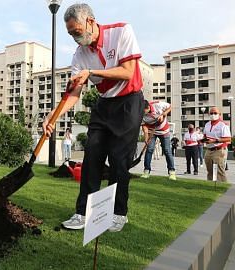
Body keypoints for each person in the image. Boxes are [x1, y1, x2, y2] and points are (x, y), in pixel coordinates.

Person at [43, 3, 144, 232]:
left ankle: (118, 214)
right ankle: (82, 213)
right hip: (103, 104)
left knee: (119, 160)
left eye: (76, 32)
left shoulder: (121, 31)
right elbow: (74, 93)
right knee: (92, 156)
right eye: (70, 34)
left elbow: (127, 72)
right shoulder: (79, 54)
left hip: (129, 101)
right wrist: (53, 115)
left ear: (90, 21)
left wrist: (92, 72)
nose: (74, 39)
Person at [140, 100, 176, 180]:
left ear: (148, 107)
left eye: (143, 111)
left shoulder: (158, 105)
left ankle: (171, 172)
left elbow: (170, 106)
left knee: (167, 150)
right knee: (149, 150)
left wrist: (164, 114)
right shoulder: (140, 113)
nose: (142, 113)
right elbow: (144, 126)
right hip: (151, 131)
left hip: (164, 131)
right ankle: (146, 171)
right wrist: (146, 137)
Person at [203, 107, 231, 182]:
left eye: (215, 113)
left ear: (219, 114)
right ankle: (211, 186)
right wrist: (202, 140)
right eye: (211, 113)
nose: (213, 115)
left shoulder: (223, 125)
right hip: (209, 150)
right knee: (210, 170)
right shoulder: (207, 124)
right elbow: (205, 136)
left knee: (219, 171)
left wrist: (214, 141)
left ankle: (223, 188)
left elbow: (228, 139)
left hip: (219, 149)